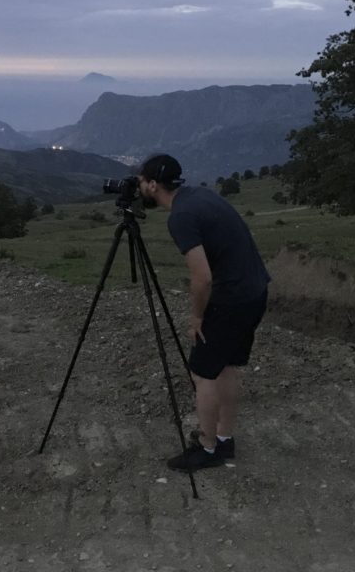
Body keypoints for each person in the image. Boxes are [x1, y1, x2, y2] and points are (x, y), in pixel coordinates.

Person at [137, 154, 270, 472]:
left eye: (141, 181)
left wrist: (197, 317)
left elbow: (202, 277)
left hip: (230, 299)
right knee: (225, 367)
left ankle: (207, 448)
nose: (139, 186)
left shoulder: (180, 216)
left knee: (203, 373)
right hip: (255, 290)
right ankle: (224, 438)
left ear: (153, 185)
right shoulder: (201, 195)